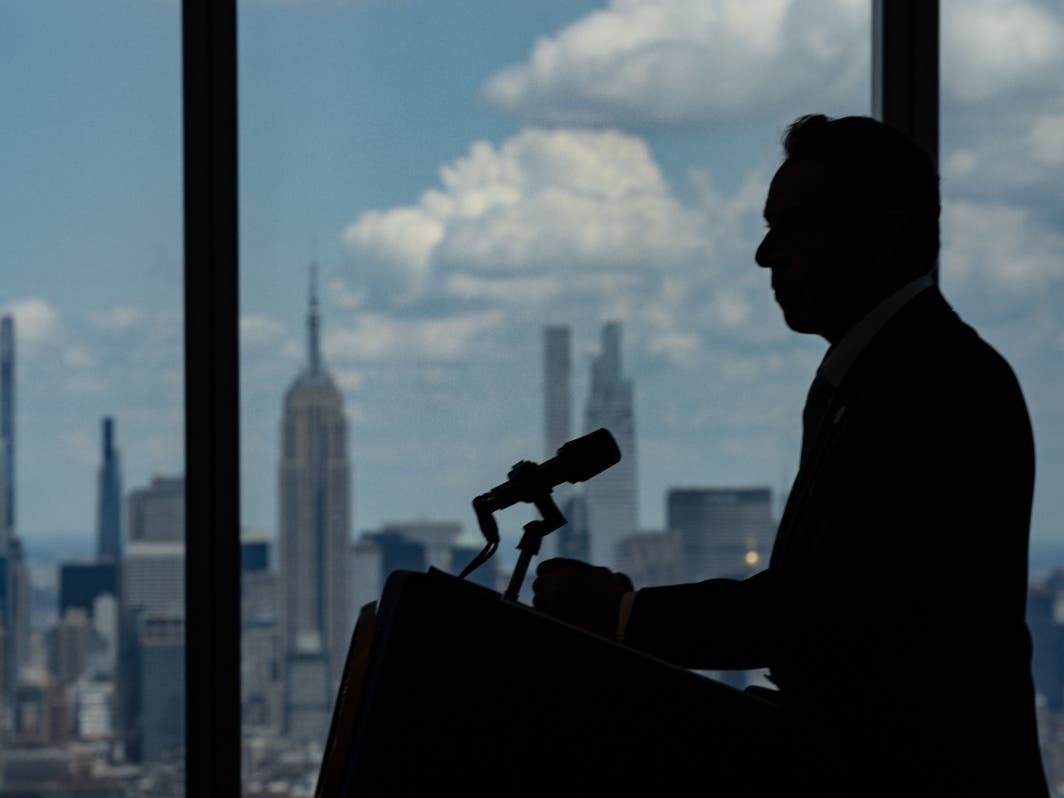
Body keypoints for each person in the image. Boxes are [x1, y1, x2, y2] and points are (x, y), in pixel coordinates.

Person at [531, 114, 1049, 796]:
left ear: (880, 233)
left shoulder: (939, 386)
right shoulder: (874, 378)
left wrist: (623, 617)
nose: (763, 254)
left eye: (792, 225)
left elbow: (836, 615)